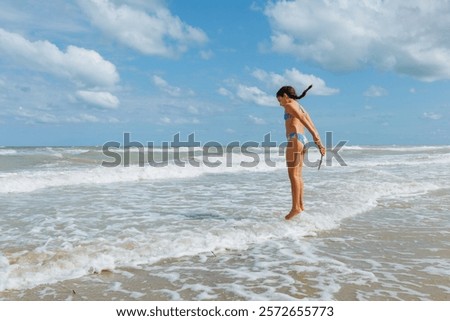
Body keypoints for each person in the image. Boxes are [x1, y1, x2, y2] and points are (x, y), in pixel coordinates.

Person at [276, 85, 326, 220]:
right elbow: (311, 123)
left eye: (279, 100)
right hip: (302, 141)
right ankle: (300, 205)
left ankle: (295, 208)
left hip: (294, 140)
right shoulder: (300, 106)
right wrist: (318, 141)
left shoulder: (290, 105)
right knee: (298, 175)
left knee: (293, 176)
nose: (279, 104)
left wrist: (317, 141)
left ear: (285, 96)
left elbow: (304, 121)